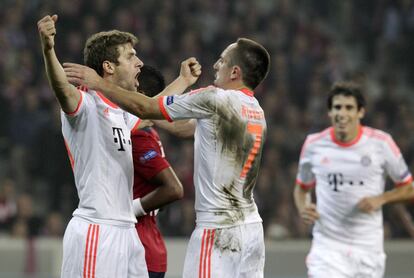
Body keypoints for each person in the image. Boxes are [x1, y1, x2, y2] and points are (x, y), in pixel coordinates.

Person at [64, 38, 270, 277]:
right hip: (252, 229)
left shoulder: (214, 99)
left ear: (235, 72)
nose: (215, 65)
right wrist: (178, 85)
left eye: (222, 61)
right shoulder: (256, 111)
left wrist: (99, 83)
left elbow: (146, 108)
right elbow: (183, 129)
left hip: (218, 230)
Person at [37, 14, 200, 278]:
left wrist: (182, 81)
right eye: (131, 56)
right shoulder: (85, 104)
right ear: (109, 67)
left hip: (127, 233)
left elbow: (151, 106)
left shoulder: (121, 112)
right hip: (96, 230)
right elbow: (61, 88)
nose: (140, 63)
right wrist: (48, 48)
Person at [293, 81, 414, 277]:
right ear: (330, 113)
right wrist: (303, 208)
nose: (342, 113)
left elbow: (409, 188)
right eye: (337, 107)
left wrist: (381, 199)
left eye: (349, 107)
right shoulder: (314, 145)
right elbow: (301, 188)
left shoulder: (381, 143)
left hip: (368, 248)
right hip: (327, 248)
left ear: (361, 112)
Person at [132, 65, 184, 278]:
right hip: (148, 245)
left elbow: (173, 189)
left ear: (139, 95)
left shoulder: (138, 137)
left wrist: (130, 209)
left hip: (139, 247)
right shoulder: (147, 130)